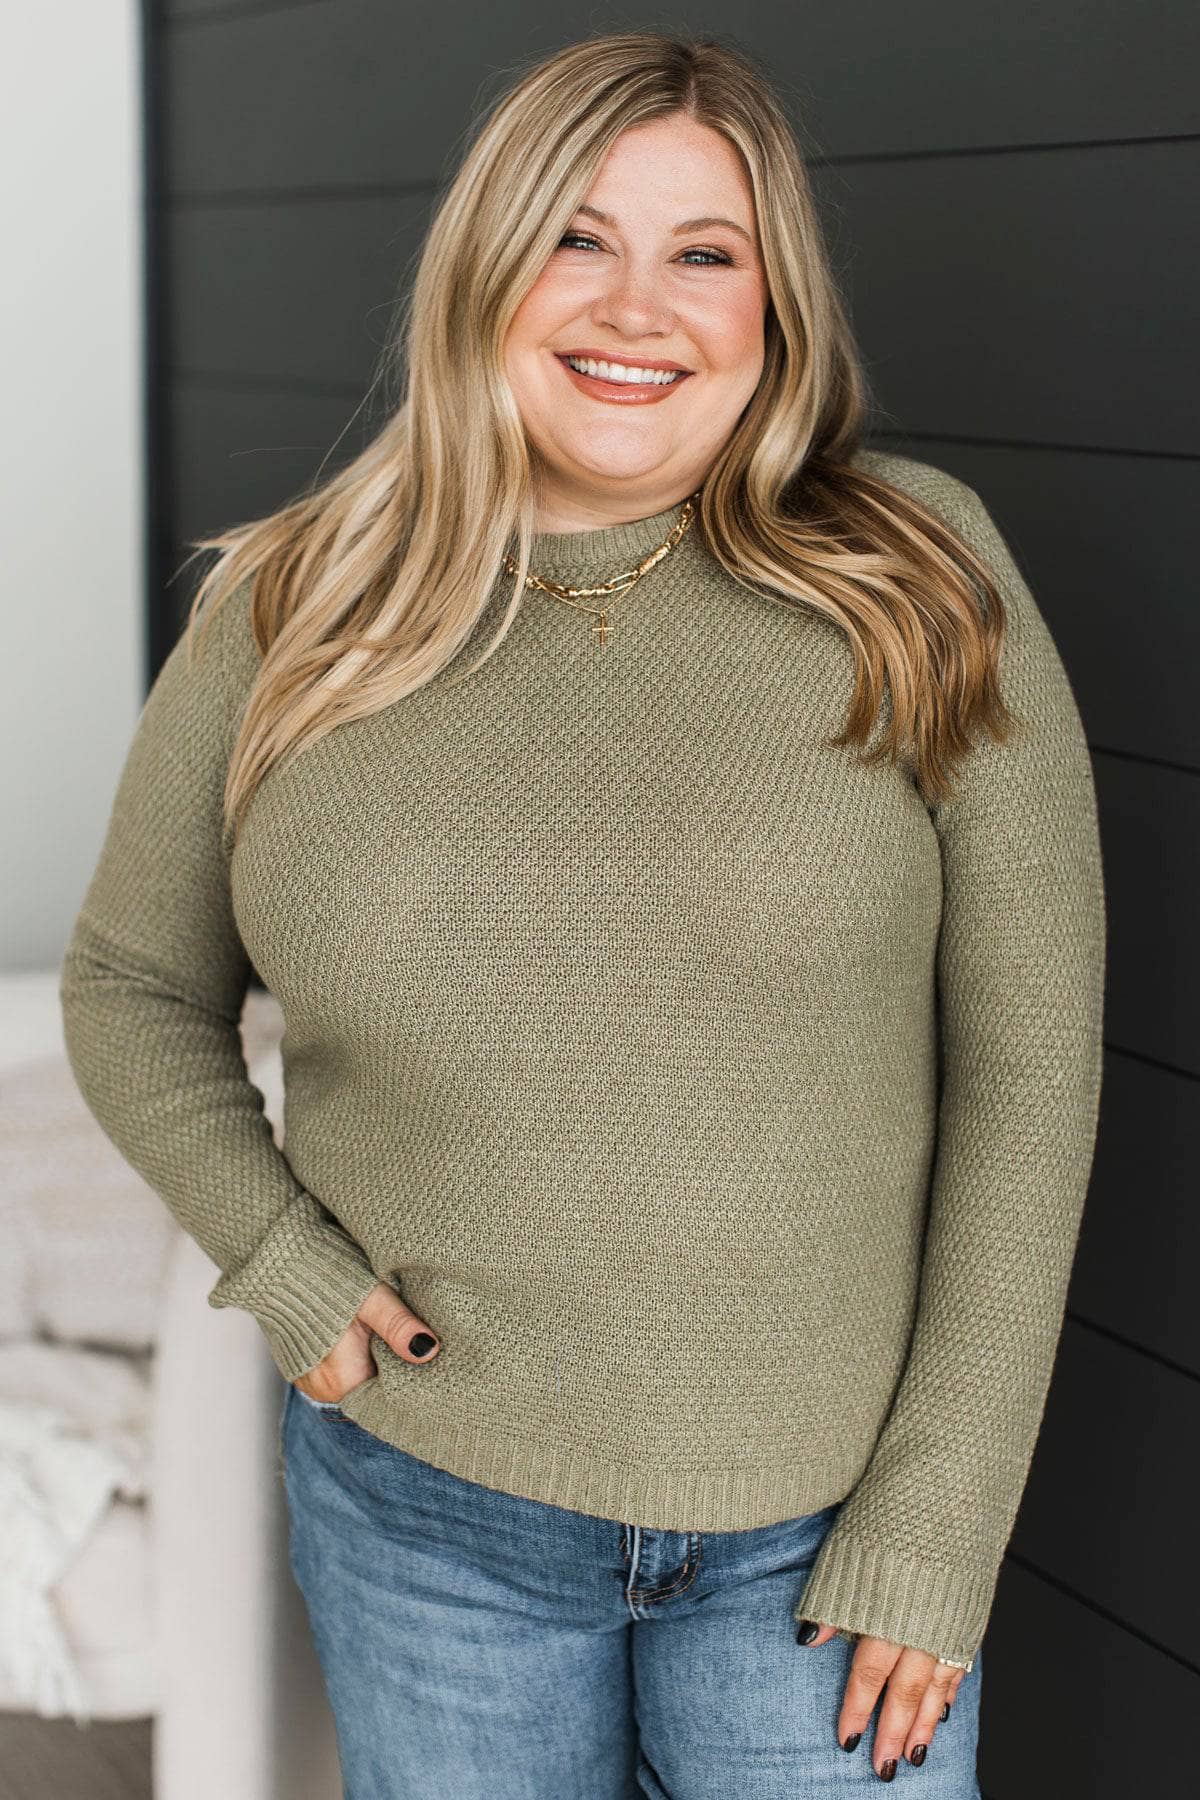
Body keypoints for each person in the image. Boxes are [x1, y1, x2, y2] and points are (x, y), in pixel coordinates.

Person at [58, 29, 1106, 1800]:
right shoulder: (292, 603)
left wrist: (941, 1515)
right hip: (429, 1525)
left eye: (704, 252)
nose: (638, 306)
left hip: (821, 1548)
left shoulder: (919, 575)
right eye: (577, 236)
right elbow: (130, 984)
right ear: (486, 265)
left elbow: (1032, 1070)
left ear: (773, 305)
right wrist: (281, 1257)